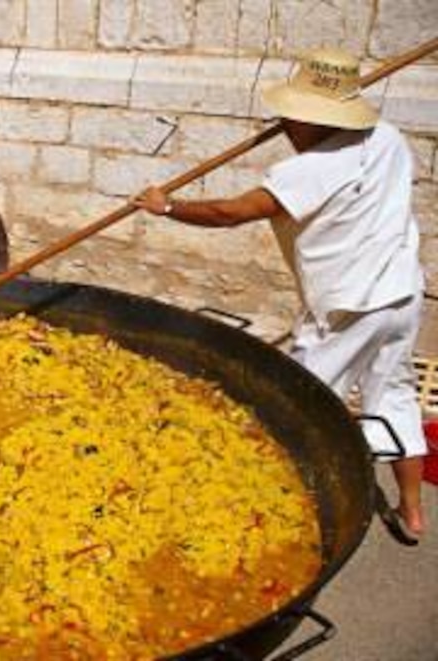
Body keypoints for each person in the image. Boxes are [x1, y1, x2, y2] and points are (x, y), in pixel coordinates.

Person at [133, 49, 428, 544]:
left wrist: (167, 207)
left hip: (345, 308)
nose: (285, 125)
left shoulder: (309, 171)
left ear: (316, 117)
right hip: (401, 295)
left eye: (293, 116)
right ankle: (413, 512)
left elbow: (232, 212)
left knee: (294, 408)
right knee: (394, 396)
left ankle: (271, 517)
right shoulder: (390, 139)